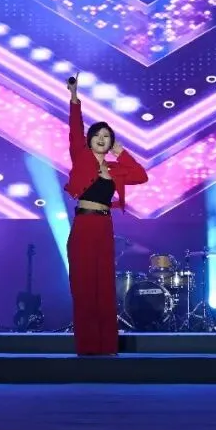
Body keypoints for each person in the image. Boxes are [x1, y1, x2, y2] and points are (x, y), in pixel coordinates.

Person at [63, 74, 148, 356]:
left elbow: (141, 175)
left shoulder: (115, 169)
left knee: (105, 287)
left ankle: (107, 346)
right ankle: (87, 346)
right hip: (84, 226)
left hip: (104, 227)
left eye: (106, 137)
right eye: (97, 136)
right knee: (84, 286)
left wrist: (121, 151)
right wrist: (74, 98)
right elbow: (75, 129)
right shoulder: (81, 157)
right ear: (89, 141)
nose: (101, 139)